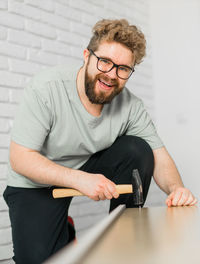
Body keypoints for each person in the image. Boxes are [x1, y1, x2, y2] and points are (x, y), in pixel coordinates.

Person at [3, 19, 197, 263]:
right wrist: (79, 179)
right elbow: (21, 159)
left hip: (85, 165)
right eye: (104, 62)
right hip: (35, 182)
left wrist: (176, 189)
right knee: (40, 260)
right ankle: (65, 231)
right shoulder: (46, 88)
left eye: (123, 68)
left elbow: (158, 155)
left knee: (138, 150)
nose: (111, 75)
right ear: (86, 56)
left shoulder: (131, 105)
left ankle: (126, 235)